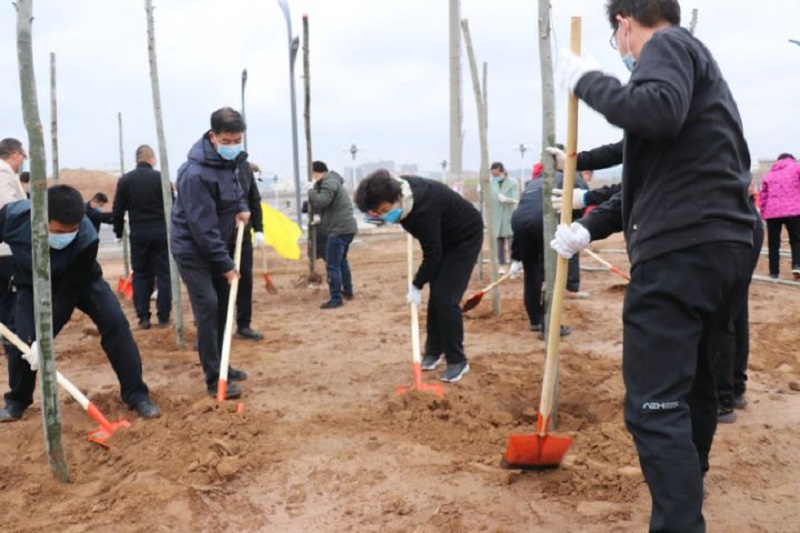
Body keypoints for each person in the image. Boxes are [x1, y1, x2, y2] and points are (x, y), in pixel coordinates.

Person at [552, 1, 756, 530]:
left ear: (623, 24)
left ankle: (679, 522)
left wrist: (589, 81)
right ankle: (688, 489)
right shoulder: (696, 86)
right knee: (693, 388)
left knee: (654, 404)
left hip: (681, 255)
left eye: (615, 40)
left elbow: (654, 111)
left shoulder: (667, 46)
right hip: (723, 247)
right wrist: (587, 228)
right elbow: (645, 184)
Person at [0, 185, 160, 422]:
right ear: (41, 218)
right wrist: (33, 340)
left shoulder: (86, 237)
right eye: (58, 231)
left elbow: (67, 297)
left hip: (81, 282)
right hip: (30, 281)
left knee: (115, 322)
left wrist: (44, 340)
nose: (66, 235)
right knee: (22, 340)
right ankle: (17, 401)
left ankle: (136, 394)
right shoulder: (12, 217)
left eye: (71, 230)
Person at [355, 170, 482, 383]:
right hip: (442, 238)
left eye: (385, 210)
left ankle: (457, 361)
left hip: (464, 238)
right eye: (379, 213)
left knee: (446, 299)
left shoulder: (424, 208)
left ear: (395, 198)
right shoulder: (401, 198)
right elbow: (433, 250)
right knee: (437, 298)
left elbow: (433, 256)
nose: (385, 216)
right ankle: (433, 351)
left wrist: (416, 284)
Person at [171, 107, 250, 399]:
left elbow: (234, 187)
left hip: (216, 242)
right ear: (213, 136)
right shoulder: (195, 173)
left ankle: (223, 364)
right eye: (227, 141)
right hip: (192, 248)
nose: (233, 146)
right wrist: (226, 263)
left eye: (237, 140)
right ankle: (213, 377)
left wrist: (241, 207)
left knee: (223, 307)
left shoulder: (227, 162)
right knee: (208, 307)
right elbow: (202, 227)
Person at [715, 181, 764, 423]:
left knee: (724, 312)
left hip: (733, 228)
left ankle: (723, 398)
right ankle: (734, 388)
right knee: (735, 308)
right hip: (741, 223)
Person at [112, 145, 172, 330]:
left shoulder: (125, 180)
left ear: (137, 159)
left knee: (141, 274)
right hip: (161, 232)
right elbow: (173, 205)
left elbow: (118, 209)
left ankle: (143, 317)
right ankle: (163, 316)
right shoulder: (161, 178)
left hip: (138, 233)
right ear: (152, 158)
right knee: (164, 274)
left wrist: (118, 231)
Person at [508, 176, 571, 337]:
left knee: (531, 273)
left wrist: (516, 257)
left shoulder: (532, 182)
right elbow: (575, 213)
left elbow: (524, 212)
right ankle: (549, 325)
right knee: (552, 272)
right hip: (544, 220)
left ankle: (536, 320)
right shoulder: (569, 176)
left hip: (518, 220)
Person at [308, 161, 358, 309]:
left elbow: (322, 201)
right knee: (342, 261)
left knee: (332, 265)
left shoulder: (328, 182)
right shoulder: (334, 181)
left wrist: (311, 191)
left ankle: (336, 298)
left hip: (339, 230)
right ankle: (347, 291)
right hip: (347, 228)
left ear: (316, 172)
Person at [230, 160, 264, 340]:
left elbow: (254, 199)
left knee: (245, 281)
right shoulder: (206, 167)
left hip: (242, 236)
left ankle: (244, 325)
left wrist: (258, 228)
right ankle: (211, 332)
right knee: (215, 286)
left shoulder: (244, 167)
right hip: (216, 238)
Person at [0, 139, 29, 333]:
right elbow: (8, 208)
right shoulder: (3, 173)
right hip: (6, 249)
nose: (22, 163)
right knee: (8, 298)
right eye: (23, 158)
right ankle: (9, 339)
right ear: (16, 154)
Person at [758, 153, 800, 280]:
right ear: (791, 159)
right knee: (796, 240)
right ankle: (797, 266)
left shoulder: (769, 174)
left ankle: (774, 272)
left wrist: (763, 213)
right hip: (793, 210)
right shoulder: (797, 168)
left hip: (772, 212)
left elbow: (763, 196)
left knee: (773, 243)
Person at [489, 162, 519, 273]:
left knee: (512, 243)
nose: (495, 177)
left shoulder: (513, 182)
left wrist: (507, 199)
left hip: (509, 216)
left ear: (502, 171)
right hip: (496, 217)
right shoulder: (490, 184)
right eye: (493, 174)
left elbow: (516, 198)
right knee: (499, 243)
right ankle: (501, 265)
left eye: (496, 174)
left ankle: (513, 266)